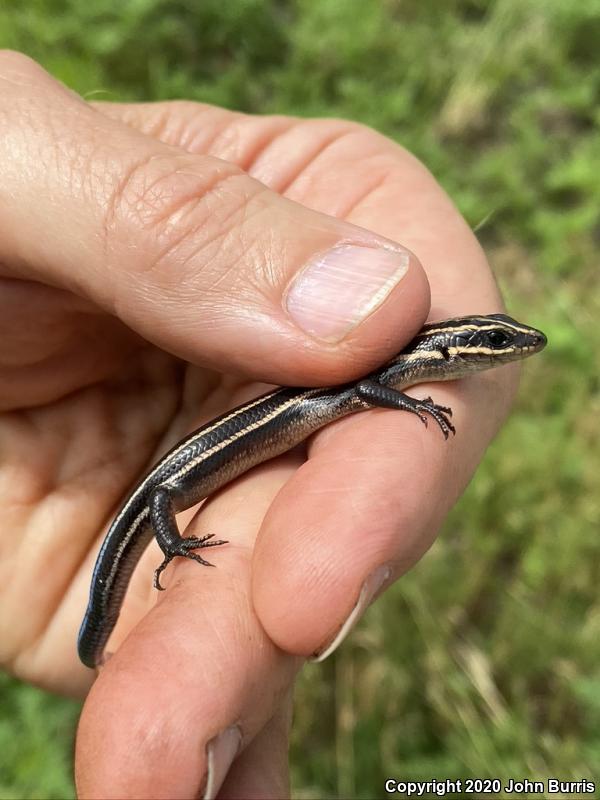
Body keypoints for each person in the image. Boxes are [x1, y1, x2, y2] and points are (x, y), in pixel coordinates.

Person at [0, 50, 518, 799]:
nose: (507, 351)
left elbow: (365, 387)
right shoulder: (402, 361)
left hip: (212, 444)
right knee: (147, 548)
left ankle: (107, 633)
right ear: (456, 346)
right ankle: (120, 606)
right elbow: (371, 386)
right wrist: (173, 542)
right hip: (170, 481)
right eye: (497, 343)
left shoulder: (412, 358)